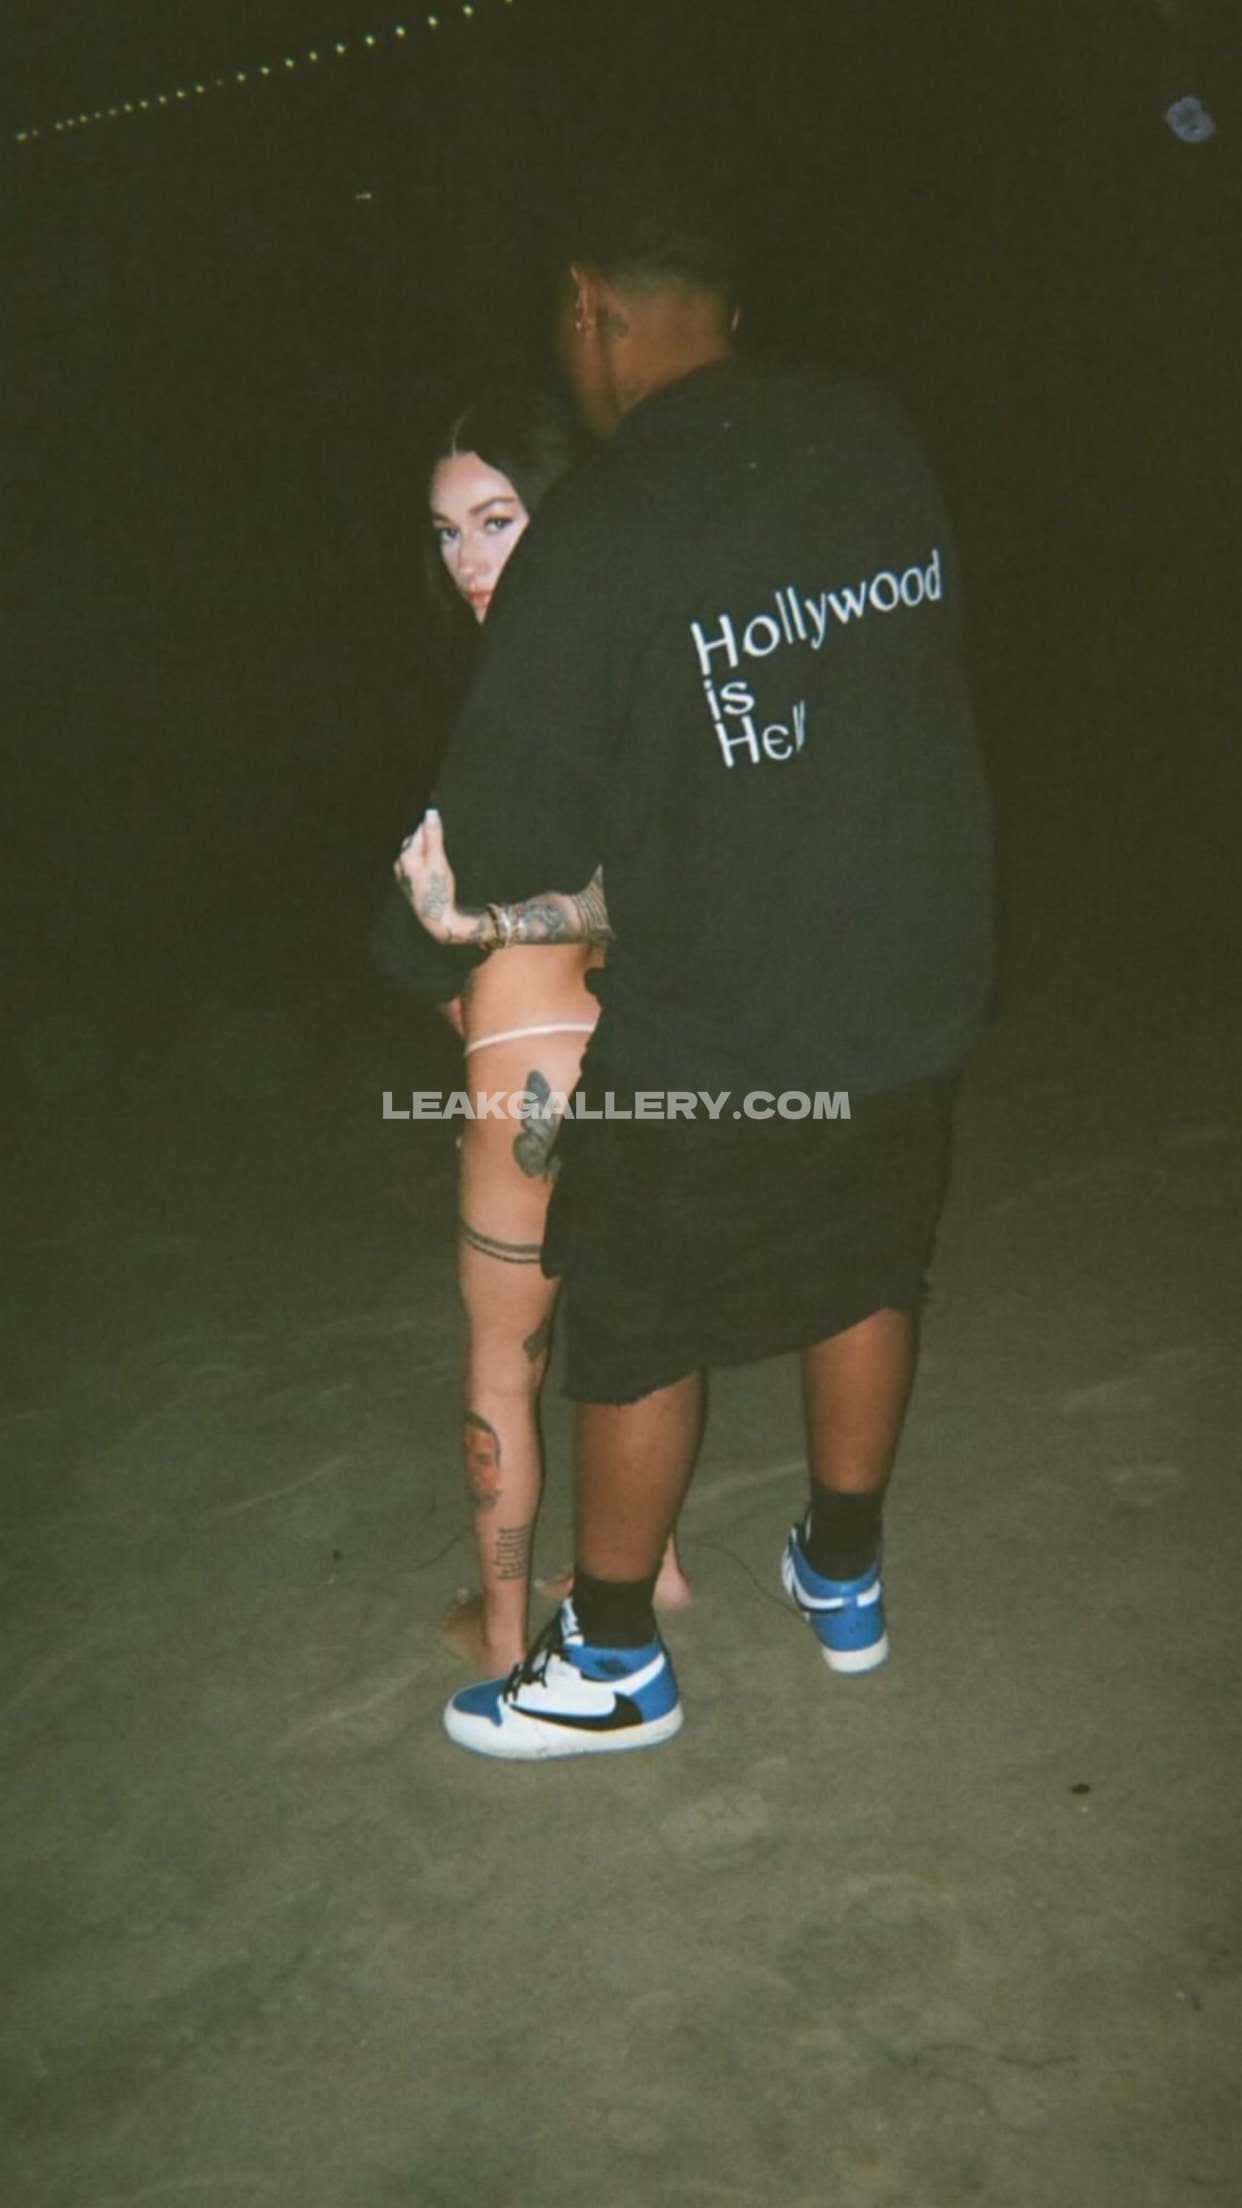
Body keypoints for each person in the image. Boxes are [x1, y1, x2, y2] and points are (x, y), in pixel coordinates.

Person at [400, 179, 994, 1760]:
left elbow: (510, 827)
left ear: (586, 305)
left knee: (639, 1319)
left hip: (729, 1010)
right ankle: (842, 1575)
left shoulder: (610, 517)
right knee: (869, 1267)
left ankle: (611, 1662)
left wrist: (443, 917)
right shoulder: (870, 432)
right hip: (917, 959)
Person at [387, 390, 690, 1678]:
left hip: (531, 1043)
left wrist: (456, 932)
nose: (468, 559)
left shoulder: (524, 694)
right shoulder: (644, 662)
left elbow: (447, 927)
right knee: (634, 1319)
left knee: (504, 1359)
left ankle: (508, 1638)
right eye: (447, 531)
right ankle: (654, 1567)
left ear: (561, 516)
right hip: (652, 1035)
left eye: (498, 520)